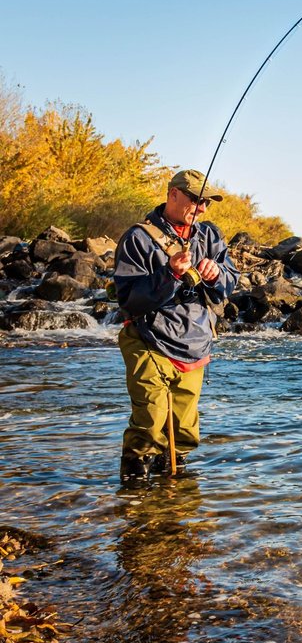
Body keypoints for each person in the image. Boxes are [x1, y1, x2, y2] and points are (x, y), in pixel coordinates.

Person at [113, 170, 239, 483]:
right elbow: (129, 300)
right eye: (196, 199)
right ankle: (133, 492)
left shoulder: (209, 236)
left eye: (207, 202)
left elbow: (228, 282)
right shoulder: (138, 238)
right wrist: (169, 274)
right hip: (148, 339)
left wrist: (216, 274)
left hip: (195, 340)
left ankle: (174, 498)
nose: (202, 208)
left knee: (183, 431)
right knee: (150, 420)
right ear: (173, 194)